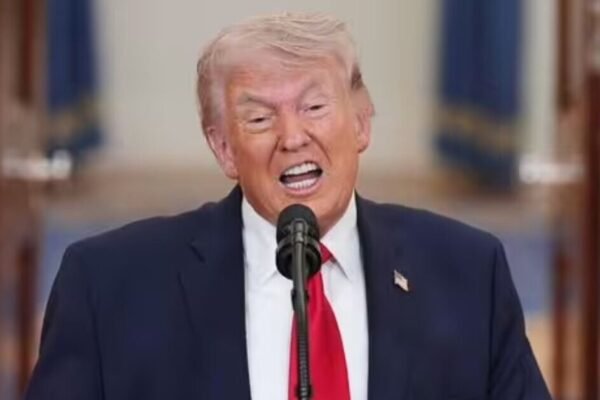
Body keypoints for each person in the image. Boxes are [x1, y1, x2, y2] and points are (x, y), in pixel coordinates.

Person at [25, 12, 552, 400]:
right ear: (223, 148)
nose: (293, 136)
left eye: (314, 106)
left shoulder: (469, 274)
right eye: (259, 118)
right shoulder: (107, 287)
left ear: (361, 123)